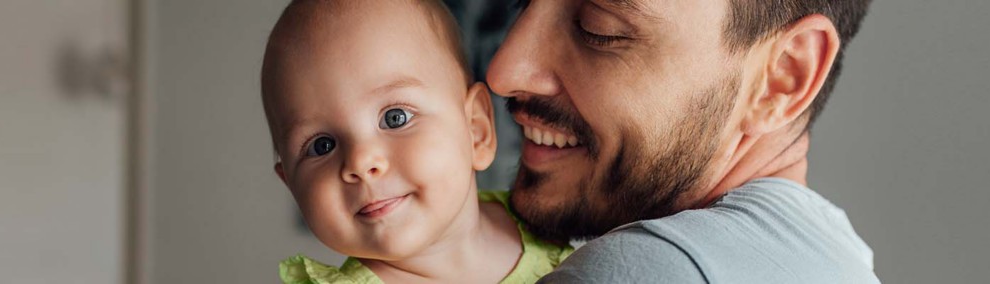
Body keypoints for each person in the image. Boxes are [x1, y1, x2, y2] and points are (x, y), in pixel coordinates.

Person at [484, 0, 880, 283]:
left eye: (598, 29)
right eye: (521, 4)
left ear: (783, 77)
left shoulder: (643, 270)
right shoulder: (841, 261)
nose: (504, 72)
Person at [259, 0, 573, 283]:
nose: (360, 161)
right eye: (321, 146)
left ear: (475, 130)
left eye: (395, 117)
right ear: (292, 185)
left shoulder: (542, 223)